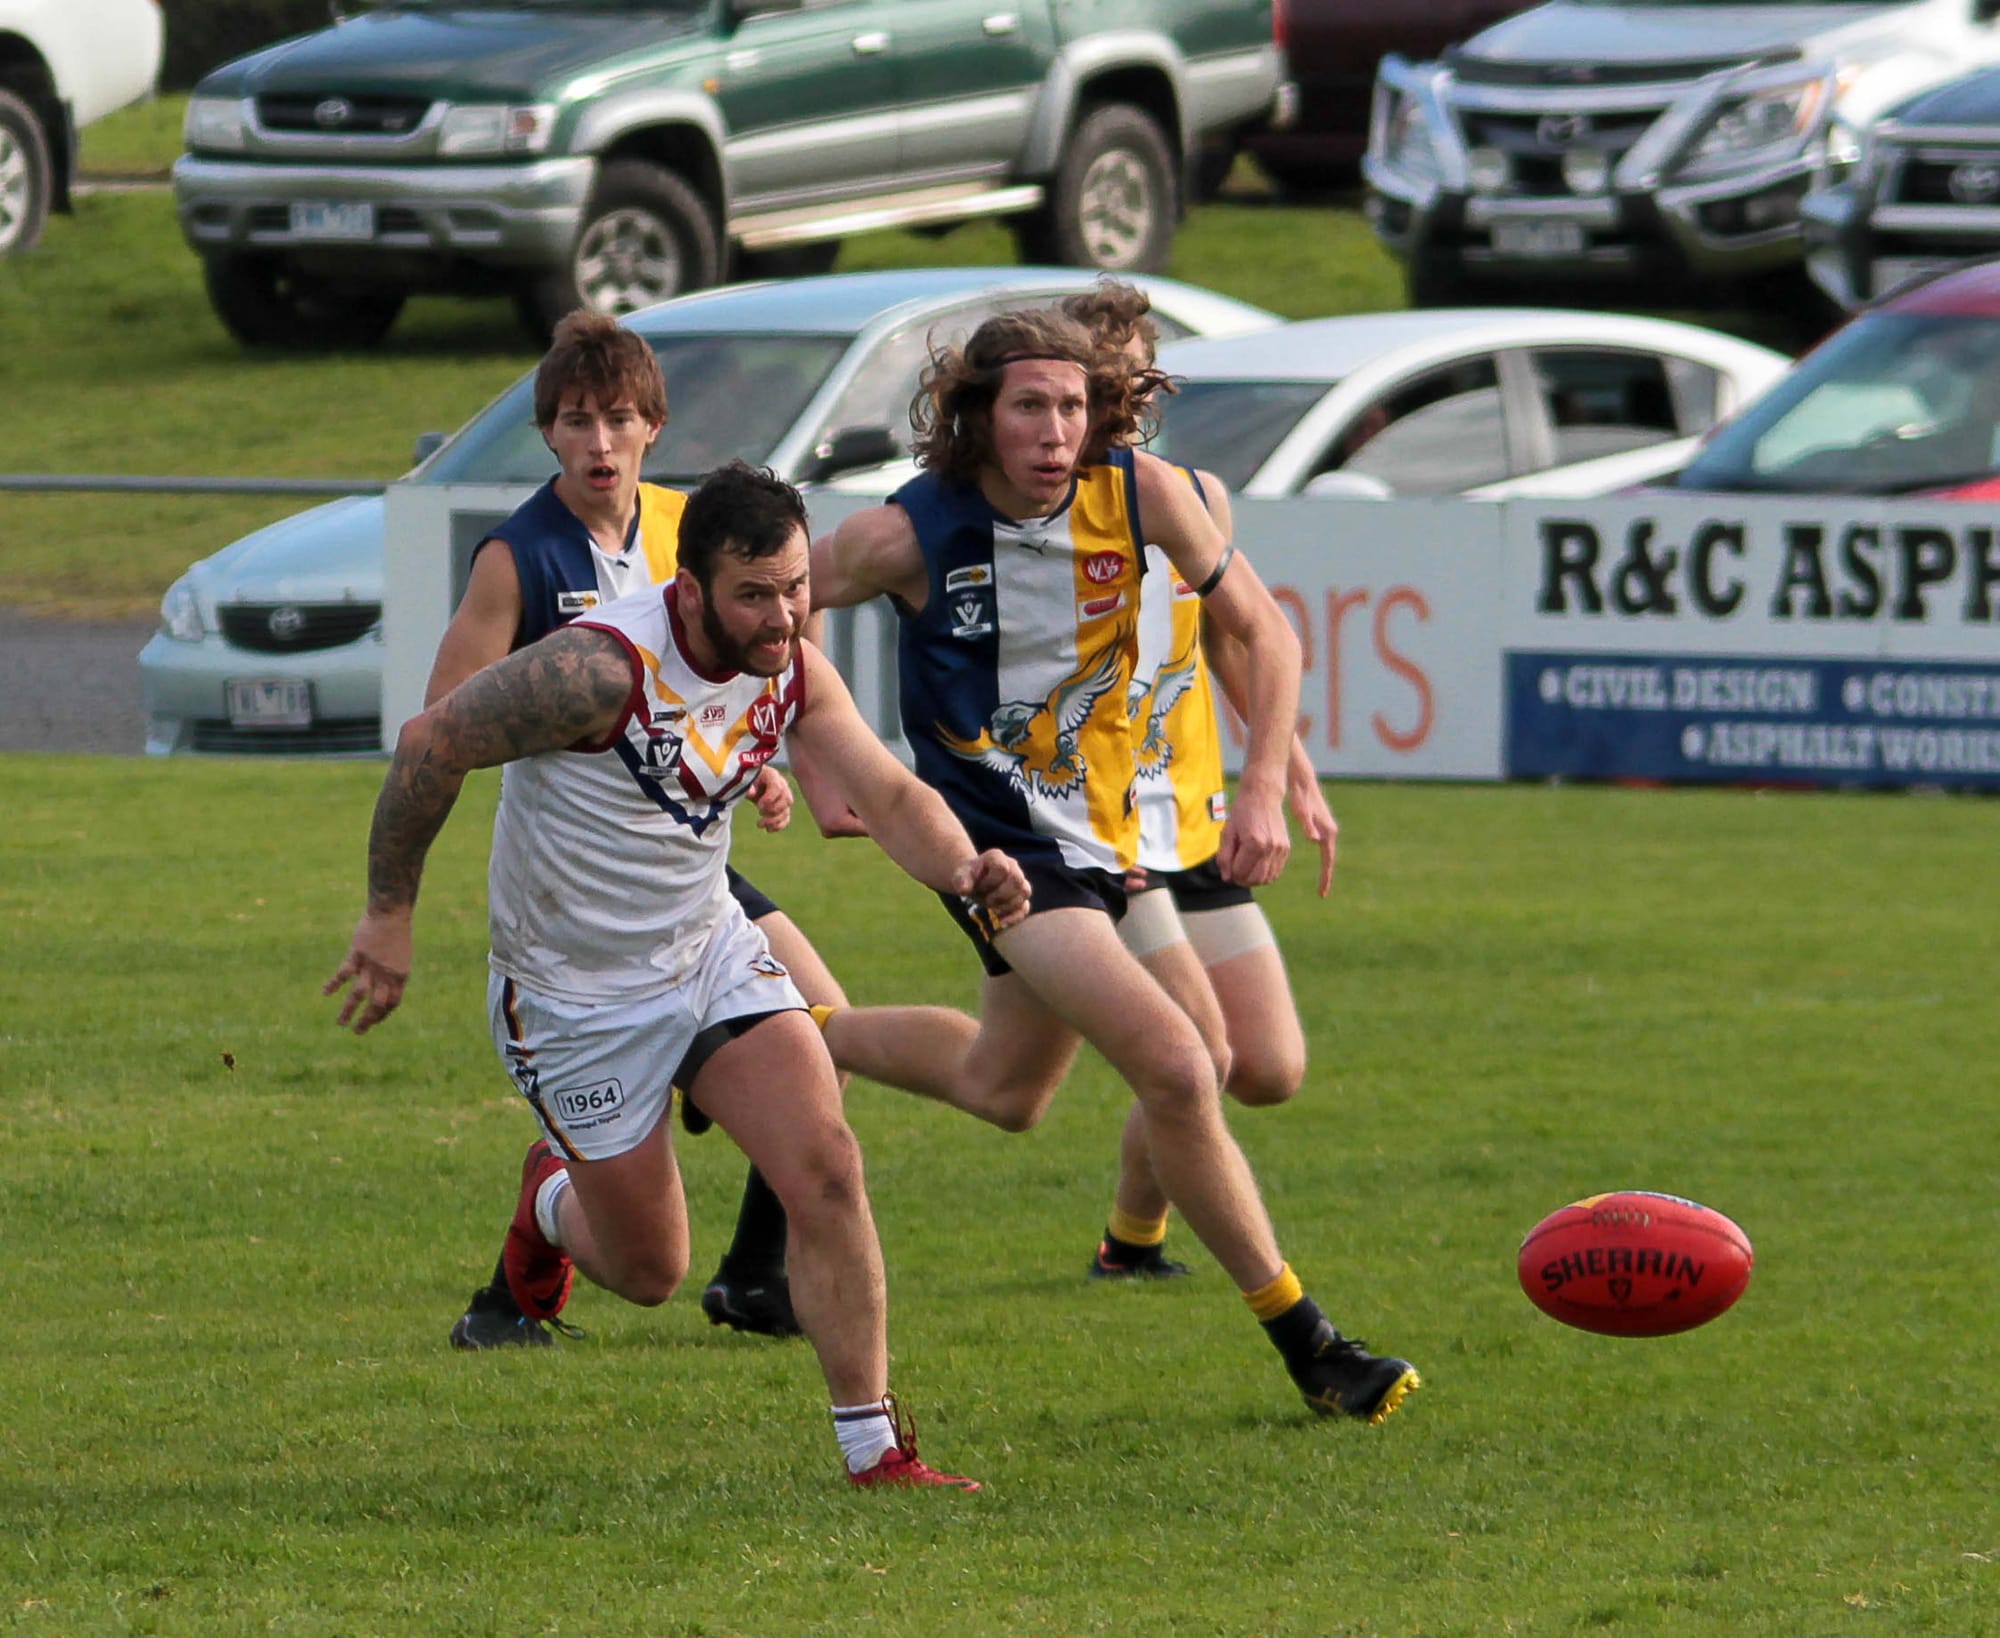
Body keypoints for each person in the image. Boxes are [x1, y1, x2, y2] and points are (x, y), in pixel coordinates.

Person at [326, 460, 1027, 1487]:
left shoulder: (788, 656)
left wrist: (966, 869)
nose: (782, 616)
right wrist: (390, 913)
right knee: (652, 1271)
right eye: (754, 595)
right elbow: (432, 741)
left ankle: (872, 1450)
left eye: (794, 587)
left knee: (826, 1161)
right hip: (573, 995)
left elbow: (881, 788)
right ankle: (549, 1202)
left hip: (706, 952)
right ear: (689, 590)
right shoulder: (596, 670)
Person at [802, 306, 1421, 1424]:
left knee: (1007, 1089)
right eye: (1028, 406)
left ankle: (786, 1039)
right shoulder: (908, 532)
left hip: (1117, 830)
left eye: (1073, 407)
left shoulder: (1141, 491)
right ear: (976, 417)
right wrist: (813, 753)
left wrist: (1271, 778)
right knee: (1183, 1066)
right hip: (998, 851)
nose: (1054, 430)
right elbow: (763, 613)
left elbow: (1263, 633)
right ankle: (1308, 1343)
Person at [427, 311, 839, 1348]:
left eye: (617, 419)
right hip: (587, 886)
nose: (599, 442)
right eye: (575, 421)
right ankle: (552, 1227)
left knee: (822, 1034)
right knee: (650, 1242)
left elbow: (738, 684)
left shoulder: (687, 532)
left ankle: (757, 1277)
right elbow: (442, 716)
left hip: (691, 859)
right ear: (548, 435)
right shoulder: (518, 556)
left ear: (654, 425)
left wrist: (758, 772)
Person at [1055, 281, 1339, 1282]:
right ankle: (1131, 1250)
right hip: (1097, 825)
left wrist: (1286, 770)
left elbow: (1233, 638)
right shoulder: (1039, 511)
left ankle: (1130, 1236)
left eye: (1130, 376)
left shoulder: (1193, 496)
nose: (1117, 398)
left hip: (1191, 812)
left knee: (1267, 1068)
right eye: (1096, 378)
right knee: (1201, 1057)